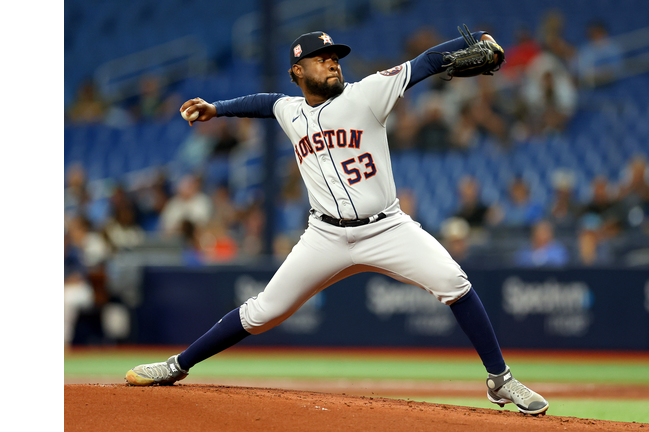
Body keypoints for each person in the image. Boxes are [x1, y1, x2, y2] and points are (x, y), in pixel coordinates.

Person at [124, 28, 549, 416]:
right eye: (321, 57)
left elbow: (425, 63)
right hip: (324, 235)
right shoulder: (290, 110)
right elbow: (264, 104)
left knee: (454, 282)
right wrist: (216, 108)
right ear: (298, 70)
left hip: (386, 228)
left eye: (335, 56)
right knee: (261, 313)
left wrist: (471, 39)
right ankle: (176, 365)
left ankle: (501, 381)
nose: (332, 62)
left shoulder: (367, 94)